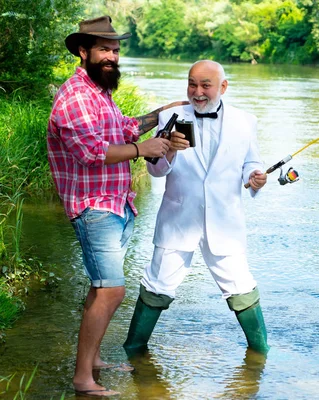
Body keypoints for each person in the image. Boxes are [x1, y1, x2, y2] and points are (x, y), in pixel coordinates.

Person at [47, 16, 187, 397]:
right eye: (104, 49)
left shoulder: (99, 91)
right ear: (83, 51)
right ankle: (82, 379)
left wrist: (163, 112)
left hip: (116, 203)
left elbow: (123, 128)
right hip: (93, 207)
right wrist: (145, 149)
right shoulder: (76, 96)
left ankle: (91, 363)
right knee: (112, 291)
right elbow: (91, 152)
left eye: (115, 50)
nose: (111, 56)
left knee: (99, 289)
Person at [123, 60, 270, 357]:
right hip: (178, 219)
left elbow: (250, 164)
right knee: (156, 285)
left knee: (241, 287)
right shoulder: (169, 116)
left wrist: (255, 179)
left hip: (225, 223)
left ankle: (262, 353)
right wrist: (171, 150)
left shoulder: (246, 121)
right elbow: (156, 172)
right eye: (192, 84)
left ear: (223, 87)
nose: (198, 92)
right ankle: (133, 351)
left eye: (206, 85)